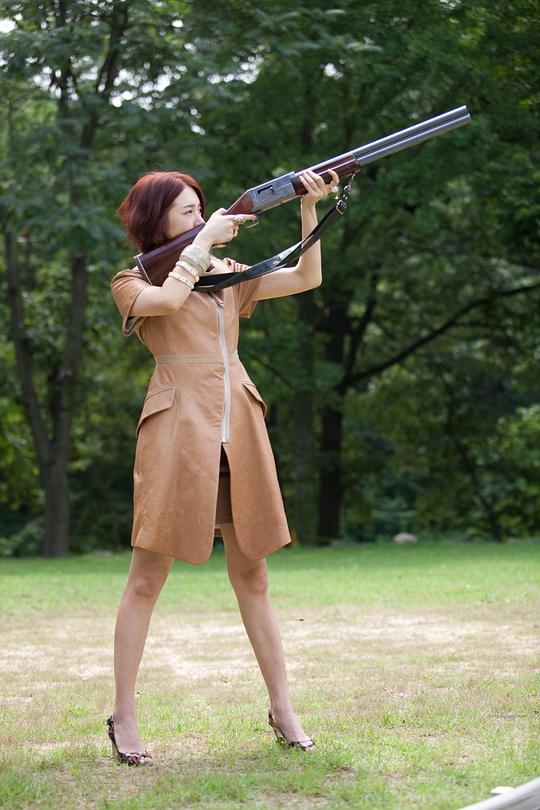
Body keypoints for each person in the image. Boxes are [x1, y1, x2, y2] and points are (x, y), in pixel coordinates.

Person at [107, 165, 339, 765]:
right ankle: (124, 717)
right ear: (156, 222)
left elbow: (306, 278)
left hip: (239, 427)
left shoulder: (228, 273)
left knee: (253, 575)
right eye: (185, 212)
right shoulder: (133, 280)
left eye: (199, 209)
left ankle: (283, 709)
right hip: (177, 430)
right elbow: (166, 301)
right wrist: (203, 242)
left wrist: (309, 208)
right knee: (147, 578)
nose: (198, 217)